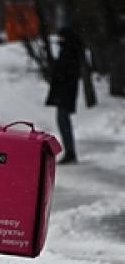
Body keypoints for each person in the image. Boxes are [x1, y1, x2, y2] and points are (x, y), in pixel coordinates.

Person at [46, 27, 81, 164]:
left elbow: (64, 73)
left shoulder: (69, 52)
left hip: (64, 93)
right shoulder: (70, 51)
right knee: (63, 121)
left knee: (63, 121)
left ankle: (70, 152)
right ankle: (69, 151)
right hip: (65, 93)